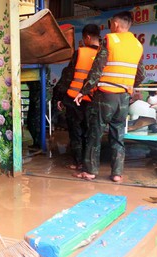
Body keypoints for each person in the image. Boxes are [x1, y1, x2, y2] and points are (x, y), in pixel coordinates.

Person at [74, 11, 145, 183]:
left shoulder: (110, 40)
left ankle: (90, 171)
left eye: (111, 23)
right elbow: (141, 73)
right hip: (124, 97)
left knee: (95, 132)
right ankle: (117, 173)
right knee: (118, 135)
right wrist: (129, 86)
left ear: (116, 24)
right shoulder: (137, 45)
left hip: (106, 95)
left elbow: (97, 68)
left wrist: (83, 91)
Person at [53, 24, 100, 171]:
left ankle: (78, 162)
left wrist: (59, 96)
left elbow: (68, 76)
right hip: (95, 100)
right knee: (90, 132)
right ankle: (89, 163)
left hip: (75, 99)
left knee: (76, 132)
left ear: (87, 37)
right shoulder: (104, 54)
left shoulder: (80, 52)